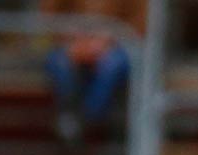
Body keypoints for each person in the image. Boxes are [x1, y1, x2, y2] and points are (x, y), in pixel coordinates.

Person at [40, 0, 144, 146]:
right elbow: (50, 14)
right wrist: (70, 38)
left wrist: (109, 39)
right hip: (72, 42)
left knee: (112, 65)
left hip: (118, 44)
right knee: (59, 61)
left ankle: (85, 120)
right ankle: (71, 116)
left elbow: (142, 21)